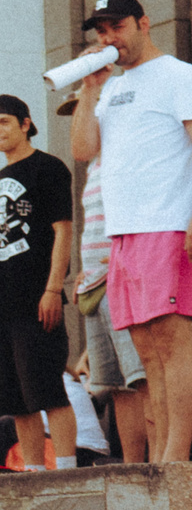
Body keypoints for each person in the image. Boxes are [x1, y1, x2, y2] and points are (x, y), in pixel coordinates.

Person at [67, 0, 192, 464]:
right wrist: (90, 87)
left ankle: (176, 458)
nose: (109, 38)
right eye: (102, 30)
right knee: (146, 354)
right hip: (122, 235)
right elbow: (83, 149)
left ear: (144, 23)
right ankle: (159, 457)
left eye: (117, 27)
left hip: (166, 225)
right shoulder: (113, 88)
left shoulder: (179, 76)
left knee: (173, 345)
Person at [0, 94, 76, 471]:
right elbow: (0, 246)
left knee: (47, 389)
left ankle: (67, 471)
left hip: (39, 296)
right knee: (15, 399)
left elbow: (63, 232)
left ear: (25, 123)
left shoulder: (48, 168)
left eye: (3, 122)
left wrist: (54, 288)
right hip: (6, 300)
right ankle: (34, 472)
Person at [76, 158, 150, 461]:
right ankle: (133, 470)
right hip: (94, 284)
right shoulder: (94, 166)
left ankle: (160, 465)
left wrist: (125, 258)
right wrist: (86, 269)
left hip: (125, 279)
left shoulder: (130, 155)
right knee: (118, 386)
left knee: (142, 379)